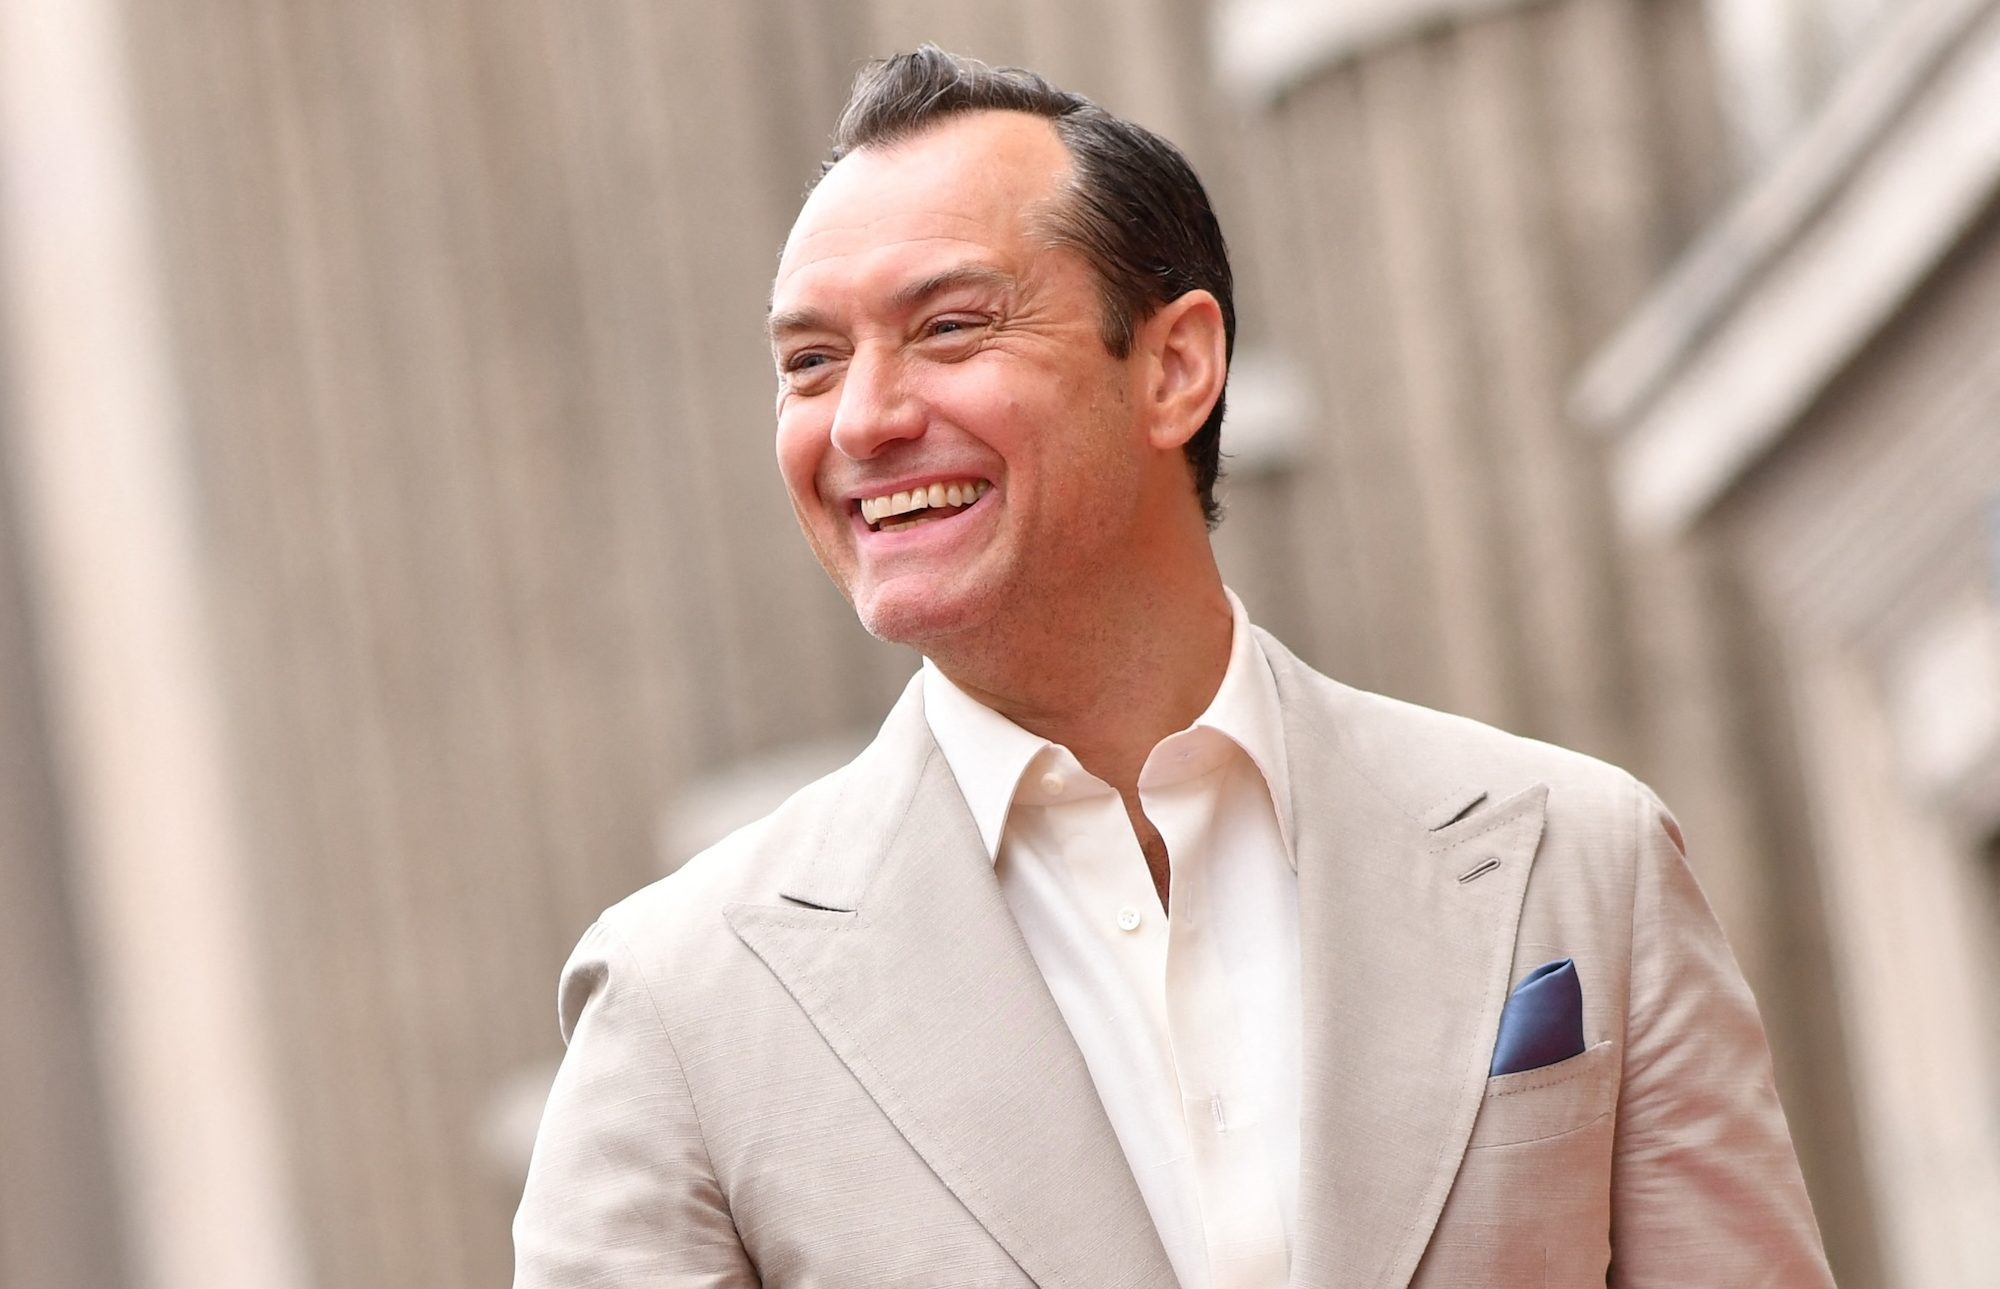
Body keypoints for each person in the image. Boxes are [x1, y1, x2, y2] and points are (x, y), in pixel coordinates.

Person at [513, 46, 1836, 1289]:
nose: (865, 417)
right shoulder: (679, 1008)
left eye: (949, 329)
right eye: (810, 362)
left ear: (1177, 365)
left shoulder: (1580, 859)